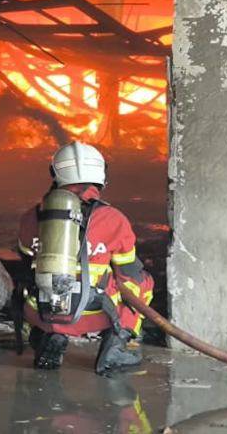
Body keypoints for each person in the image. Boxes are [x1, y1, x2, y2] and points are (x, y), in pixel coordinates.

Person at [17, 141, 155, 375]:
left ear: (56, 173)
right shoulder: (114, 219)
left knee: (31, 281)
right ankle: (117, 345)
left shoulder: (32, 216)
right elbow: (127, 271)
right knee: (143, 283)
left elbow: (24, 264)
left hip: (45, 311)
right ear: (100, 175)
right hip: (93, 313)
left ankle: (49, 336)